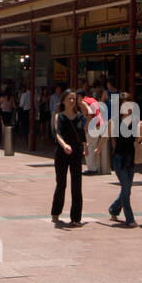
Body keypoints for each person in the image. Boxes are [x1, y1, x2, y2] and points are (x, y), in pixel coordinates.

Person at [101, 94, 141, 228]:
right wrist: (97, 149)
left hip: (130, 158)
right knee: (126, 187)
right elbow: (106, 136)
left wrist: (140, 130)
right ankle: (130, 218)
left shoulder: (135, 120)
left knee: (127, 189)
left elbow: (138, 140)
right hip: (118, 159)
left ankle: (113, 209)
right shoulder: (115, 120)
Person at [51, 90, 87, 226]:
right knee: (61, 184)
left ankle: (76, 218)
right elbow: (58, 134)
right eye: (69, 99)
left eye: (74, 99)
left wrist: (86, 147)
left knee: (77, 185)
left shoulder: (79, 116)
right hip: (62, 153)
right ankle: (56, 212)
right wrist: (64, 145)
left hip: (76, 152)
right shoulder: (59, 116)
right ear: (63, 100)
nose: (72, 101)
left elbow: (82, 133)